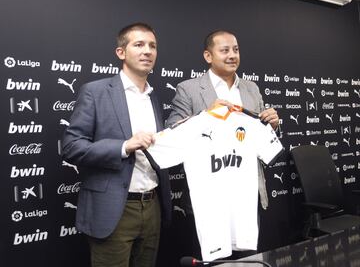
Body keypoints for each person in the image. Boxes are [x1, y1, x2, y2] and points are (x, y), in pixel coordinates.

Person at [61, 22, 171, 267]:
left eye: (152, 46)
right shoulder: (95, 91)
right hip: (113, 210)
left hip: (152, 207)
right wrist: (124, 146)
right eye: (139, 44)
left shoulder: (154, 96)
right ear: (121, 52)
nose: (147, 51)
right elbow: (71, 146)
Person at [166, 30, 279, 256]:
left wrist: (272, 126)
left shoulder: (251, 88)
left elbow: (260, 136)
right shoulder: (188, 89)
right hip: (209, 195)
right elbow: (173, 132)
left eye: (235, 50)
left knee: (247, 258)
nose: (232, 55)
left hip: (246, 194)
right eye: (224, 50)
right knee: (212, 258)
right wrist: (206, 115)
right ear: (208, 56)